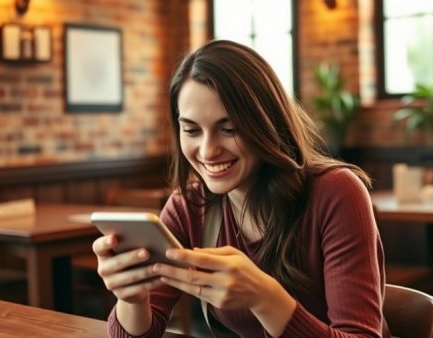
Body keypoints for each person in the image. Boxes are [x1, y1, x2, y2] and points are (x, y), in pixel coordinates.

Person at [93, 39, 391, 338]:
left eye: (229, 129)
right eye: (192, 130)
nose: (208, 151)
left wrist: (265, 298)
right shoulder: (189, 205)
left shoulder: (337, 193)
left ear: (265, 123)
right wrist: (131, 297)